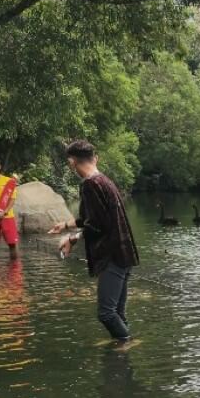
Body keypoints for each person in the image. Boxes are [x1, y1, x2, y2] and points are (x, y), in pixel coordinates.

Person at [48, 140, 139, 343]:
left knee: (106, 313)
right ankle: (123, 349)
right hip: (123, 252)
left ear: (72, 162)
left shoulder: (90, 184)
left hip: (111, 255)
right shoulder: (104, 181)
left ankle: (127, 343)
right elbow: (92, 217)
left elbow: (96, 225)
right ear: (94, 158)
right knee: (117, 312)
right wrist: (65, 225)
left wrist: (72, 239)